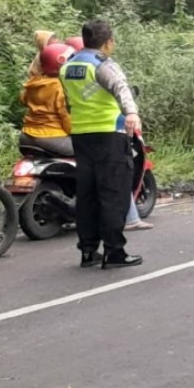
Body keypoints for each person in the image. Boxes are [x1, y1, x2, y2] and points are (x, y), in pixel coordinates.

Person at [58, 21, 144, 268]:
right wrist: (131, 114)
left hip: (81, 136)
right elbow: (121, 88)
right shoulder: (102, 64)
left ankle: (87, 251)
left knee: (88, 195)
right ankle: (114, 252)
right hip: (109, 135)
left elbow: (68, 102)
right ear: (108, 42)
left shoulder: (68, 66)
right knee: (113, 194)